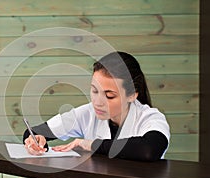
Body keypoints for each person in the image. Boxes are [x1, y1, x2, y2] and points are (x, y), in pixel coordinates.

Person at [23, 51, 170, 161]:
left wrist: (91, 144)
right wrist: (36, 141)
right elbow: (33, 132)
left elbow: (148, 150)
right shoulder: (88, 113)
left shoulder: (150, 118)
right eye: (94, 91)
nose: (98, 102)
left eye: (109, 95)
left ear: (132, 95)